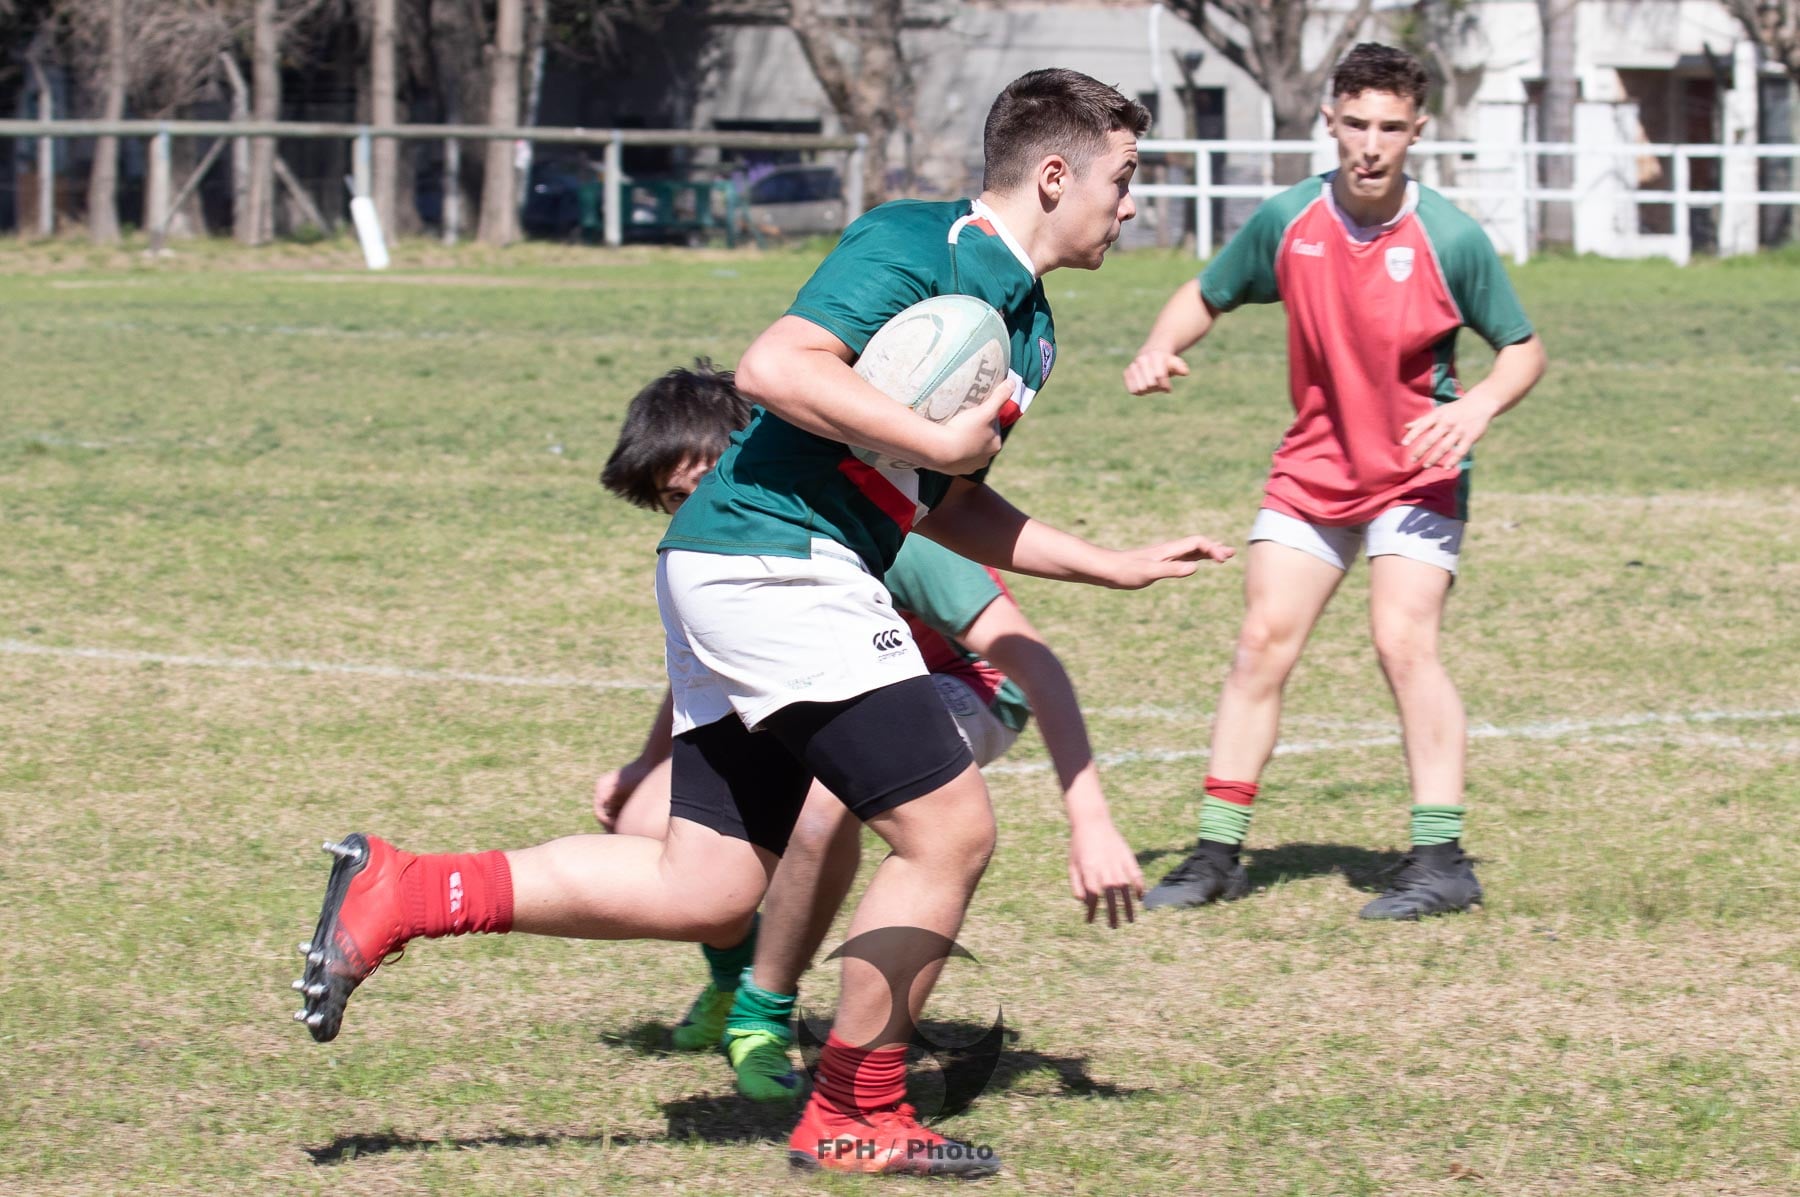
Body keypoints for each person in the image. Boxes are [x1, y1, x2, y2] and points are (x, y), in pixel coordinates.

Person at [293, 68, 1234, 1179]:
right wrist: (934, 444)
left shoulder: (1031, 334)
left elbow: (951, 502)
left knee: (710, 885)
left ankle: (406, 890)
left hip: (744, 566)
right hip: (776, 562)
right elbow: (774, 366)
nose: (1132, 206)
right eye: (1124, 181)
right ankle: (856, 1108)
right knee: (951, 832)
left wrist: (1106, 565)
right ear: (1056, 174)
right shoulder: (917, 243)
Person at [593, 362, 1129, 1106]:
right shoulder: (717, 551)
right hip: (831, 691)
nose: (694, 512)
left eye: (702, 487)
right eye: (675, 502)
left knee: (823, 803)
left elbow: (1030, 661)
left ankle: (762, 1011)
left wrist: (1092, 820)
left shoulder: (883, 533)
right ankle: (728, 978)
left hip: (966, 685)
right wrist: (643, 764)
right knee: (648, 815)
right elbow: (714, 673)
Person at [1124, 43, 1547, 921]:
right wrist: (1162, 345)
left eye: (1391, 127)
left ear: (1417, 131)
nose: (1371, 144)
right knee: (1260, 644)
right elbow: (1206, 293)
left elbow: (1523, 348)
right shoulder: (1289, 220)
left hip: (1418, 473)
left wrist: (1477, 410)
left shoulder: (1451, 237)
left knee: (1403, 641)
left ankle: (1441, 862)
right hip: (1315, 465)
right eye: (1356, 123)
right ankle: (1214, 856)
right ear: (1330, 120)